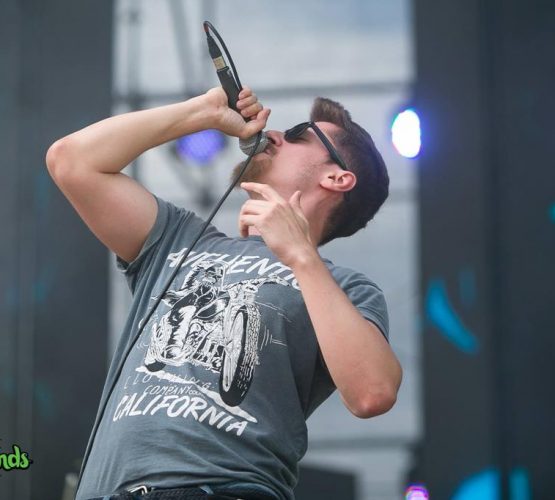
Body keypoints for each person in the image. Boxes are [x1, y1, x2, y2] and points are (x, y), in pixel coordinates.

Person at [46, 86, 403, 500]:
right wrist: (204, 112)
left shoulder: (345, 288)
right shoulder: (179, 238)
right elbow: (71, 160)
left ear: (336, 177)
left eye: (298, 134)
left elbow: (372, 393)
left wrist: (301, 256)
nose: (275, 134)